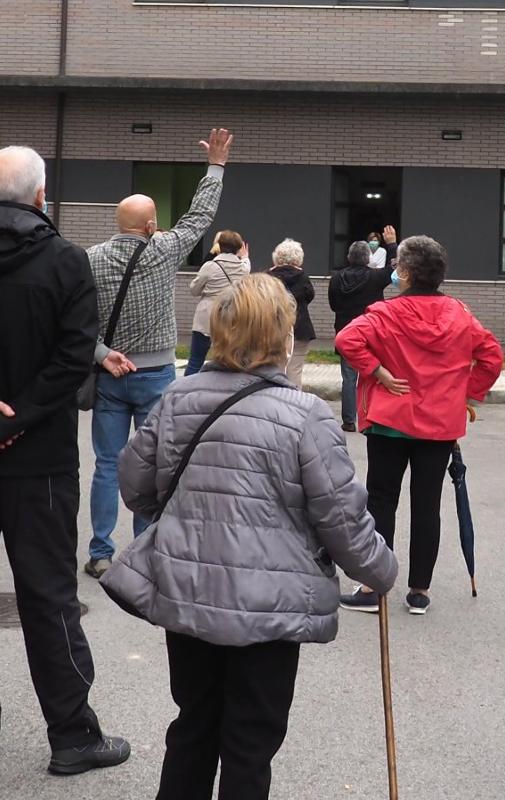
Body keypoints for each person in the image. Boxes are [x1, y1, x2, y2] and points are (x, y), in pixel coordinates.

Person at [114, 273, 397, 798]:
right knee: (250, 743)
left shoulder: (179, 397)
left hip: (188, 591)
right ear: (282, 336)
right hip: (270, 610)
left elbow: (134, 485)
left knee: (193, 725)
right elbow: (342, 518)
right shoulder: (304, 414)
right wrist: (380, 570)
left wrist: (187, 513)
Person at [0, 145, 131, 775]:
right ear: (40, 196)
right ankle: (74, 737)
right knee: (50, 597)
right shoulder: (64, 260)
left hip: (27, 446)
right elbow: (76, 353)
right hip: (40, 459)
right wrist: (20, 416)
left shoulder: (66, 257)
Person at [84, 127, 233, 580]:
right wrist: (216, 166)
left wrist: (100, 352)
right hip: (155, 373)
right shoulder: (164, 249)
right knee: (152, 463)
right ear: (150, 226)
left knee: (107, 465)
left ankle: (100, 550)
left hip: (109, 373)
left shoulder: (90, 258)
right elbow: (200, 216)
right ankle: (145, 546)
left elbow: (73, 317)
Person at [336, 235, 503, 616]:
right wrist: (466, 394)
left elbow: (347, 340)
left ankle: (372, 586)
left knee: (381, 501)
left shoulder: (384, 312)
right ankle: (419, 591)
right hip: (440, 424)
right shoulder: (460, 314)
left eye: (397, 265)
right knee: (427, 506)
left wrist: (377, 371)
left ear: (407, 274)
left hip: (389, 421)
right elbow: (491, 356)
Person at [330, 231, 398, 432]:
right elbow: (395, 266)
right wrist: (392, 244)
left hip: (346, 332)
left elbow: (334, 306)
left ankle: (349, 421)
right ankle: (372, 417)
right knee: (374, 374)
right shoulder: (376, 277)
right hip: (372, 332)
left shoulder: (336, 279)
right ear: (368, 258)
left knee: (348, 378)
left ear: (349, 257)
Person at [186, 230, 250, 377]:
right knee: (228, 360)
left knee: (196, 360)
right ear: (239, 247)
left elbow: (194, 290)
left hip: (206, 317)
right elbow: (246, 262)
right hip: (231, 316)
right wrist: (245, 256)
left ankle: (186, 390)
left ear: (219, 246)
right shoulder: (243, 268)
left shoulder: (210, 266)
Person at [267, 238, 316, 389]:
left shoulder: (267, 277)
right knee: (295, 371)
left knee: (273, 370)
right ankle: (294, 404)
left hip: (273, 330)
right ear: (298, 258)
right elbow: (309, 296)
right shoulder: (303, 278)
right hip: (300, 329)